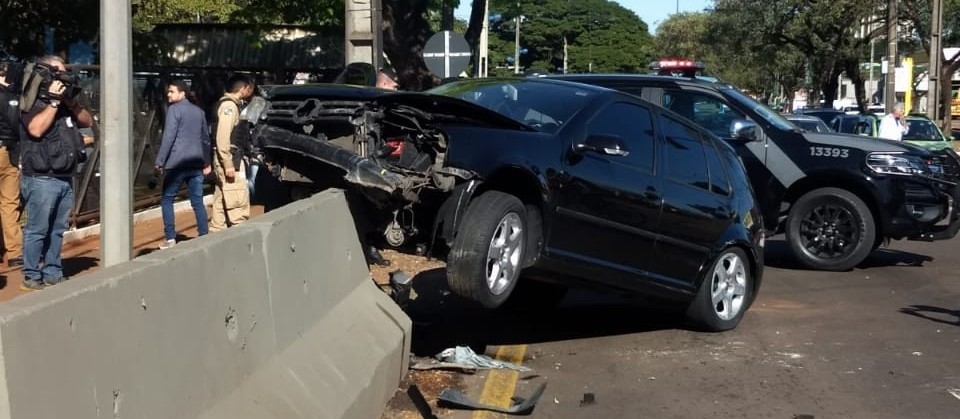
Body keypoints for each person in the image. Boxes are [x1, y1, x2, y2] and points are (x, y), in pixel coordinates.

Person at [18, 55, 93, 291]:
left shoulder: (65, 105)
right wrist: (52, 102)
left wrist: (68, 102)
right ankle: (31, 275)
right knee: (37, 229)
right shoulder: (32, 102)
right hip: (41, 178)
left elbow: (86, 120)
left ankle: (52, 271)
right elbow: (36, 129)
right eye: (59, 72)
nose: (64, 78)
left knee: (57, 229)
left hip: (64, 177)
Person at [155, 80, 211, 249]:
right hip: (196, 163)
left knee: (167, 199)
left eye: (172, 91)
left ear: (182, 93)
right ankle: (204, 234)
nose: (168, 94)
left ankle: (170, 238)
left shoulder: (174, 110)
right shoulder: (199, 111)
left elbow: (169, 137)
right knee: (197, 201)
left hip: (176, 163)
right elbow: (205, 139)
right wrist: (207, 161)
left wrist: (160, 161)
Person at [209, 74, 254, 232]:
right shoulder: (230, 106)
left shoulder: (231, 105)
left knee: (221, 202)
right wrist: (228, 164)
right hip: (230, 159)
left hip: (227, 158)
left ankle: (216, 234)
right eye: (250, 88)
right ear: (243, 88)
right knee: (237, 204)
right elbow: (223, 138)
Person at [0, 61, 23, 268]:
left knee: (9, 203)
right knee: (9, 204)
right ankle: (15, 252)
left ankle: (13, 251)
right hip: (9, 152)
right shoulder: (11, 97)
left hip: (7, 152)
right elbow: (17, 124)